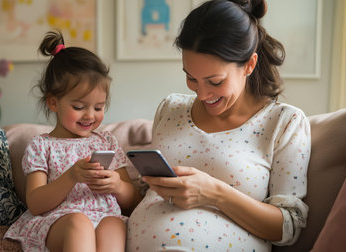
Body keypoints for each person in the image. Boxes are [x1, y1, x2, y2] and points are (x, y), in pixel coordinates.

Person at [126, 0, 311, 251]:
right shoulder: (169, 109)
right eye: (191, 78)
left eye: (214, 81)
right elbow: (145, 194)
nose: (202, 94)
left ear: (249, 64)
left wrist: (214, 193)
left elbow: (288, 227)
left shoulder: (284, 123)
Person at [4, 30, 141, 252]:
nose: (90, 115)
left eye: (98, 107)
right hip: (59, 223)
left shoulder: (106, 142)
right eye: (79, 107)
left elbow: (132, 200)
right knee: (79, 223)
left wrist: (116, 184)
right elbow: (36, 203)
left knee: (114, 225)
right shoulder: (41, 145)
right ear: (53, 103)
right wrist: (71, 176)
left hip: (105, 217)